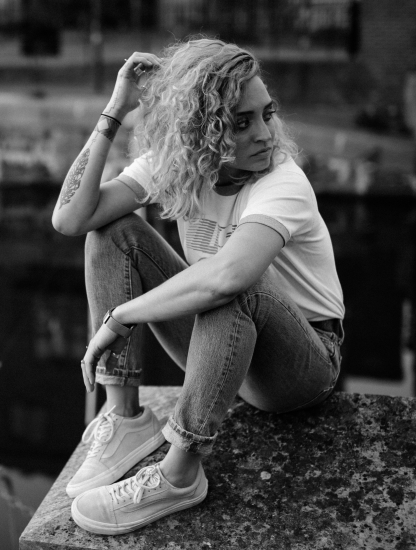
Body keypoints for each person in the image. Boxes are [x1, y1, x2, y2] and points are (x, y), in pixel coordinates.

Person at [51, 37, 344, 536]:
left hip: (301, 363)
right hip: (225, 349)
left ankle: (180, 472)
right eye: (241, 122)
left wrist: (122, 316)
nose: (265, 134)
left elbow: (229, 278)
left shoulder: (283, 182)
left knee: (234, 282)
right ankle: (125, 418)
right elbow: (71, 219)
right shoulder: (179, 166)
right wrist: (115, 110)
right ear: (199, 132)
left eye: (267, 114)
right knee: (112, 232)